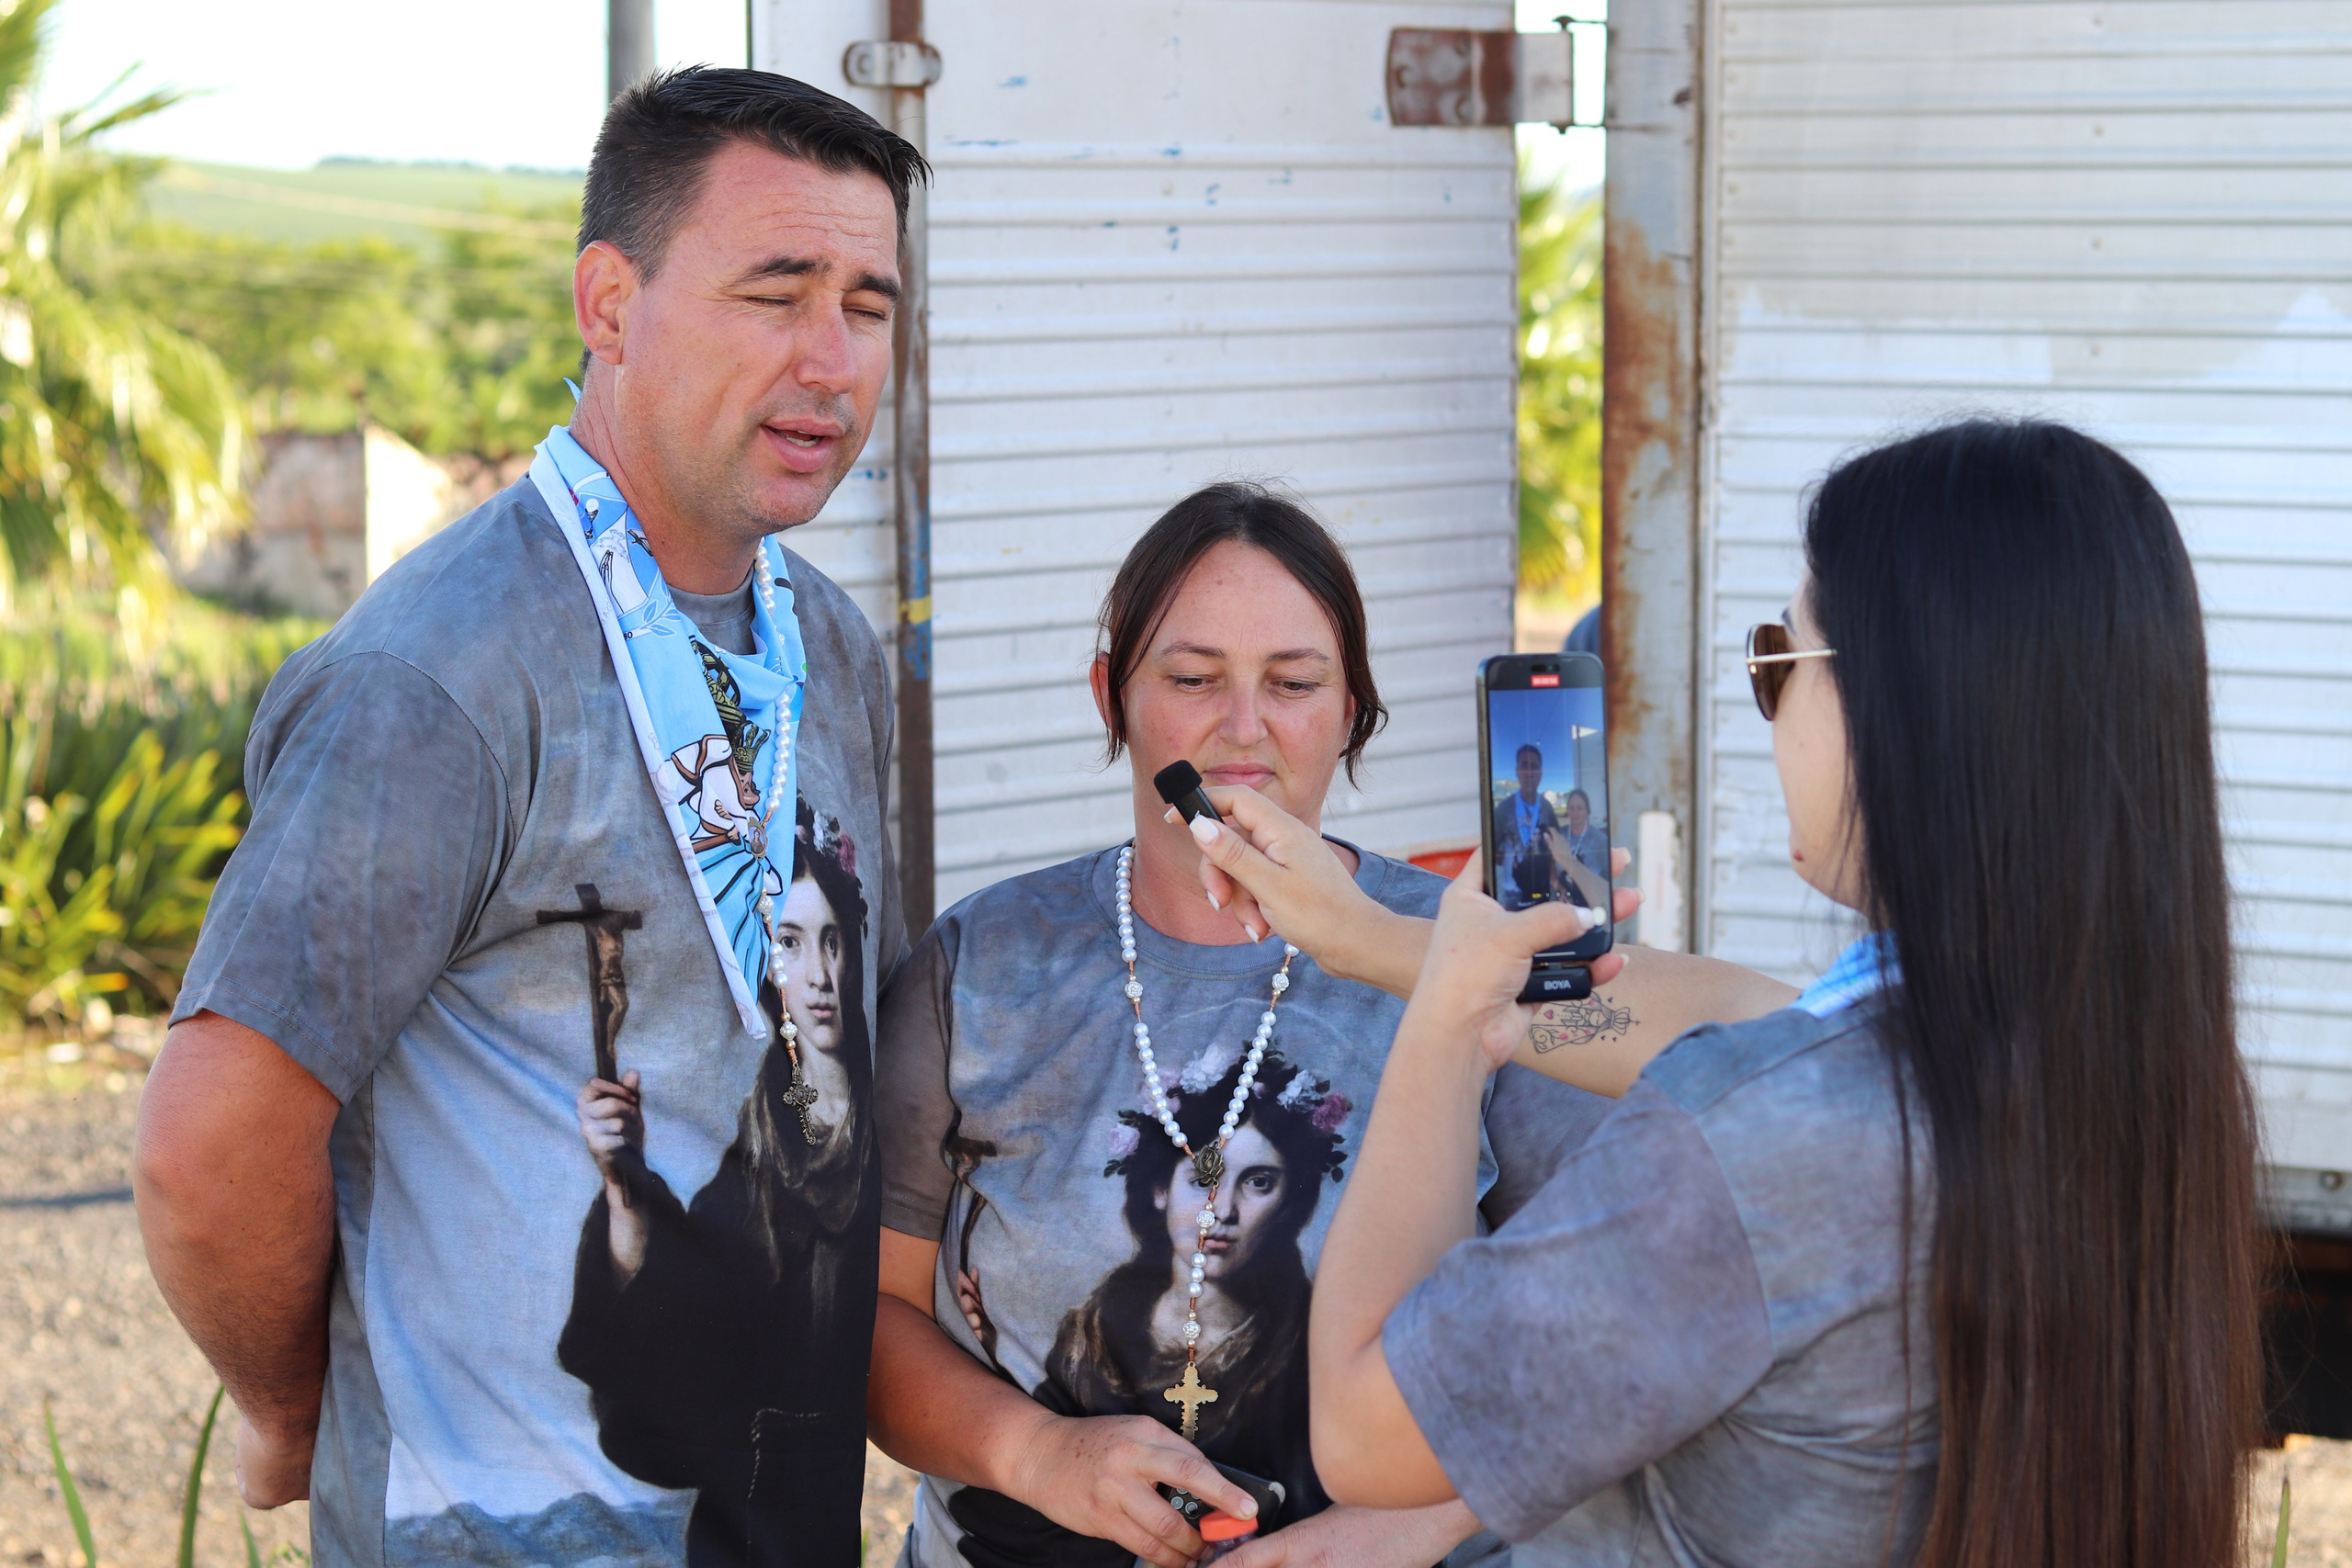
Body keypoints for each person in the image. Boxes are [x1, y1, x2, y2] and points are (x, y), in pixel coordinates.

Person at [131, 70, 921, 1568]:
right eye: (775, 293)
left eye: (868, 305)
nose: (830, 360)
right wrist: (295, 1404)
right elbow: (208, 1146)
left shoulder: (828, 645)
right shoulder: (439, 676)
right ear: (608, 303)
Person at [1271, 420, 2259, 1567]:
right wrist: (1381, 942)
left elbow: (1367, 1431)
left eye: (1779, 661)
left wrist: (1444, 1017)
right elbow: (1757, 1020)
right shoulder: (2113, 1056)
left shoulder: (1763, 1138)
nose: (1773, 708)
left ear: (1902, 705)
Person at [865, 482, 1793, 1568]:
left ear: (1352, 709)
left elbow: (1653, 1308)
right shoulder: (980, 962)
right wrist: (1036, 1455)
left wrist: (1411, 1524)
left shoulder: (1475, 953)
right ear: (1112, 698)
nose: (1242, 725)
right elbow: (870, 1320)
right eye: (1191, 678)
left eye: (1294, 683)